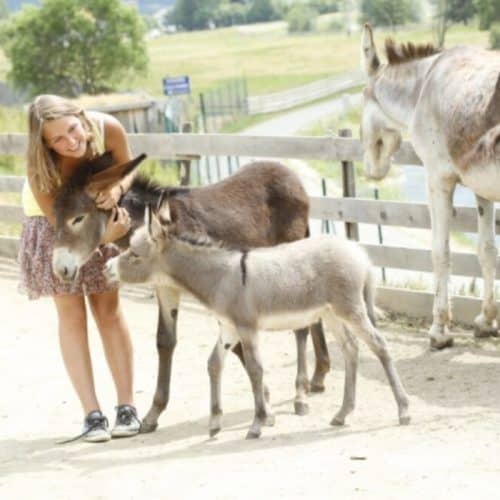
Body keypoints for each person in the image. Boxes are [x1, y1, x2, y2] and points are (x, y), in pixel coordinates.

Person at [18, 94, 140, 443]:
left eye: (73, 129)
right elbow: (62, 225)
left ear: (81, 116)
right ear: (44, 144)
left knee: (109, 311)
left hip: (99, 218)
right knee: (71, 316)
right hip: (55, 227)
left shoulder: (108, 129)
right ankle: (92, 414)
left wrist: (116, 189)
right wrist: (105, 238)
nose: (71, 142)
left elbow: (127, 171)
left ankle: (127, 407)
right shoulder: (39, 164)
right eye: (58, 139)